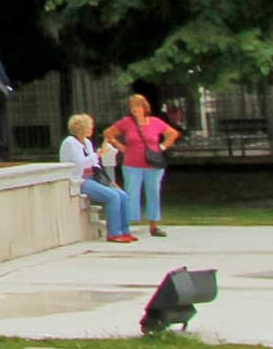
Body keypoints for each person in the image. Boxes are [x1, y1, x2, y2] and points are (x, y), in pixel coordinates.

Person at [104, 89, 182, 237]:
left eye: (138, 106)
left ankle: (154, 225)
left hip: (153, 165)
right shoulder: (127, 122)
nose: (135, 109)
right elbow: (108, 133)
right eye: (132, 106)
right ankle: (127, 224)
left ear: (144, 107)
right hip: (132, 164)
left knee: (153, 193)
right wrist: (120, 146)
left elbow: (173, 134)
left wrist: (162, 147)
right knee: (131, 194)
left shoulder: (155, 122)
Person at [59, 111, 134, 242]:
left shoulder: (87, 142)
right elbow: (80, 163)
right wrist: (98, 154)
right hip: (81, 179)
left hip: (94, 177)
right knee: (112, 197)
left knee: (122, 195)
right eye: (89, 126)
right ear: (82, 128)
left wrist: (109, 181)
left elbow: (95, 164)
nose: (91, 129)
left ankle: (125, 231)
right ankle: (114, 233)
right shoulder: (70, 143)